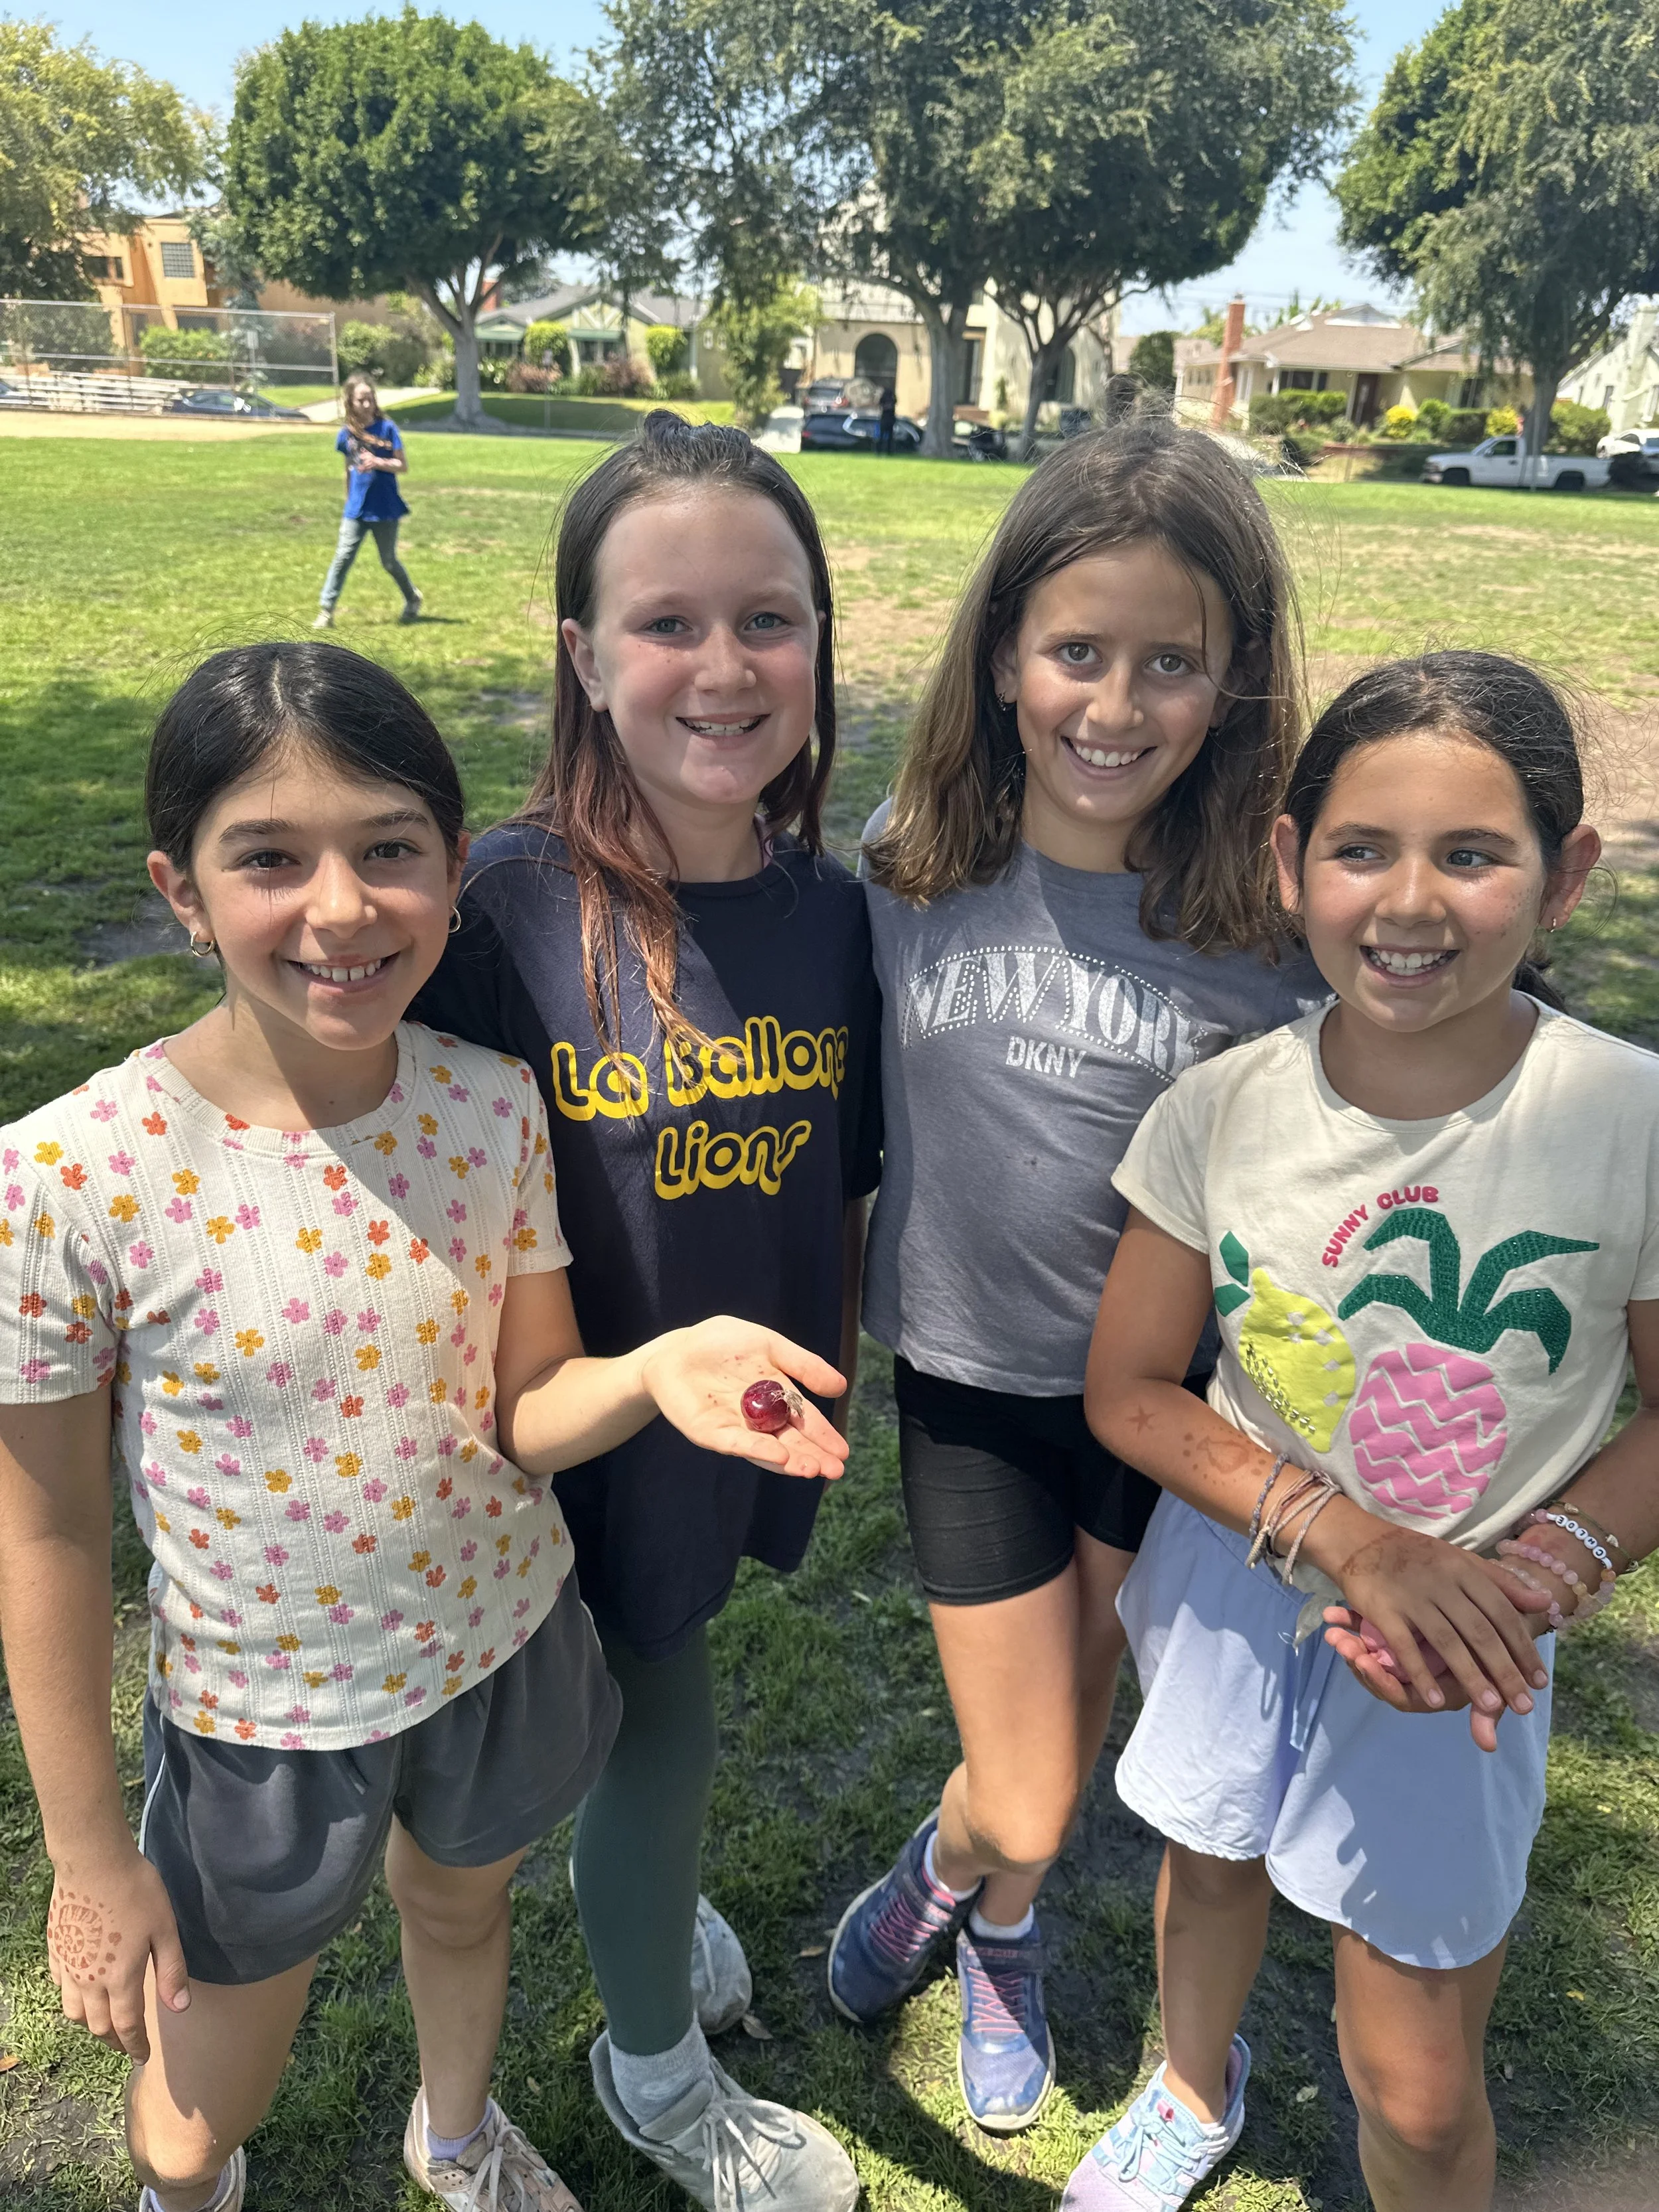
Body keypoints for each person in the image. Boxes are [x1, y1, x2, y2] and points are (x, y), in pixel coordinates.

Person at [0, 640, 850, 2212]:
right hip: (266, 1731)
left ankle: (457, 2138)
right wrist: (92, 1855)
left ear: (455, 872)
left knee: (465, 1917)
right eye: (269, 858)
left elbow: (526, 1411)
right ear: (179, 890)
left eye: (388, 850)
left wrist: (654, 1370)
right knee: (189, 2125)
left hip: (501, 1649)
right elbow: (45, 1534)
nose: (340, 907)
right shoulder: (69, 1173)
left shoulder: (484, 1101)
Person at [1068, 649, 1659, 2212]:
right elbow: (1129, 1388)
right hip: (1238, 1579)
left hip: (1461, 1648)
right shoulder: (1219, 1108)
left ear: (1566, 875)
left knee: (1414, 2079)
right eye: (1361, 849)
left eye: (1471, 855)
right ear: (1289, 860)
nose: (1409, 902)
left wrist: (1535, 1576)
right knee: (1207, 1857)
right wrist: (1342, 1537)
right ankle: (1190, 2086)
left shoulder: (1628, 1117)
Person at [828, 417, 1327, 2131]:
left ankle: (995, 1929)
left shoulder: (1262, 936)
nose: (1114, 707)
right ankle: (968, 1865)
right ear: (1002, 655)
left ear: (1232, 682)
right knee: (1034, 1782)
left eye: (1168, 664)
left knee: (1077, 1705)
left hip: (1153, 1405)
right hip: (965, 1382)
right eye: (1076, 652)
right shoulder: (910, 865)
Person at [412, 411, 880, 2211]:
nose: (722, 663)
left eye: (766, 618)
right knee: (652, 1711)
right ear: (581, 656)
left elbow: (835, 1165)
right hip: (549, 1432)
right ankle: (652, 2069)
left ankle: (650, 1902)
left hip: (722, 1416)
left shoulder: (834, 915)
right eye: (666, 621)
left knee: (656, 1693)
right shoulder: (498, 912)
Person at [314, 372, 423, 629]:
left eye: (370, 399)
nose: (366, 404)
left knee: (389, 561)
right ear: (350, 402)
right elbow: (348, 468)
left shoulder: (387, 429)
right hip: (356, 508)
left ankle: (413, 598)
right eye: (361, 400)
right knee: (343, 557)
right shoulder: (346, 434)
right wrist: (348, 500)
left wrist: (379, 462)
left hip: (385, 506)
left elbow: (402, 465)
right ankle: (326, 611)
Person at [877, 385, 897, 456]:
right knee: (886, 437)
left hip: (887, 420)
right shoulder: (887, 400)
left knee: (886, 437)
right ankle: (885, 451)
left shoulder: (891, 400)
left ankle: (885, 452)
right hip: (887, 420)